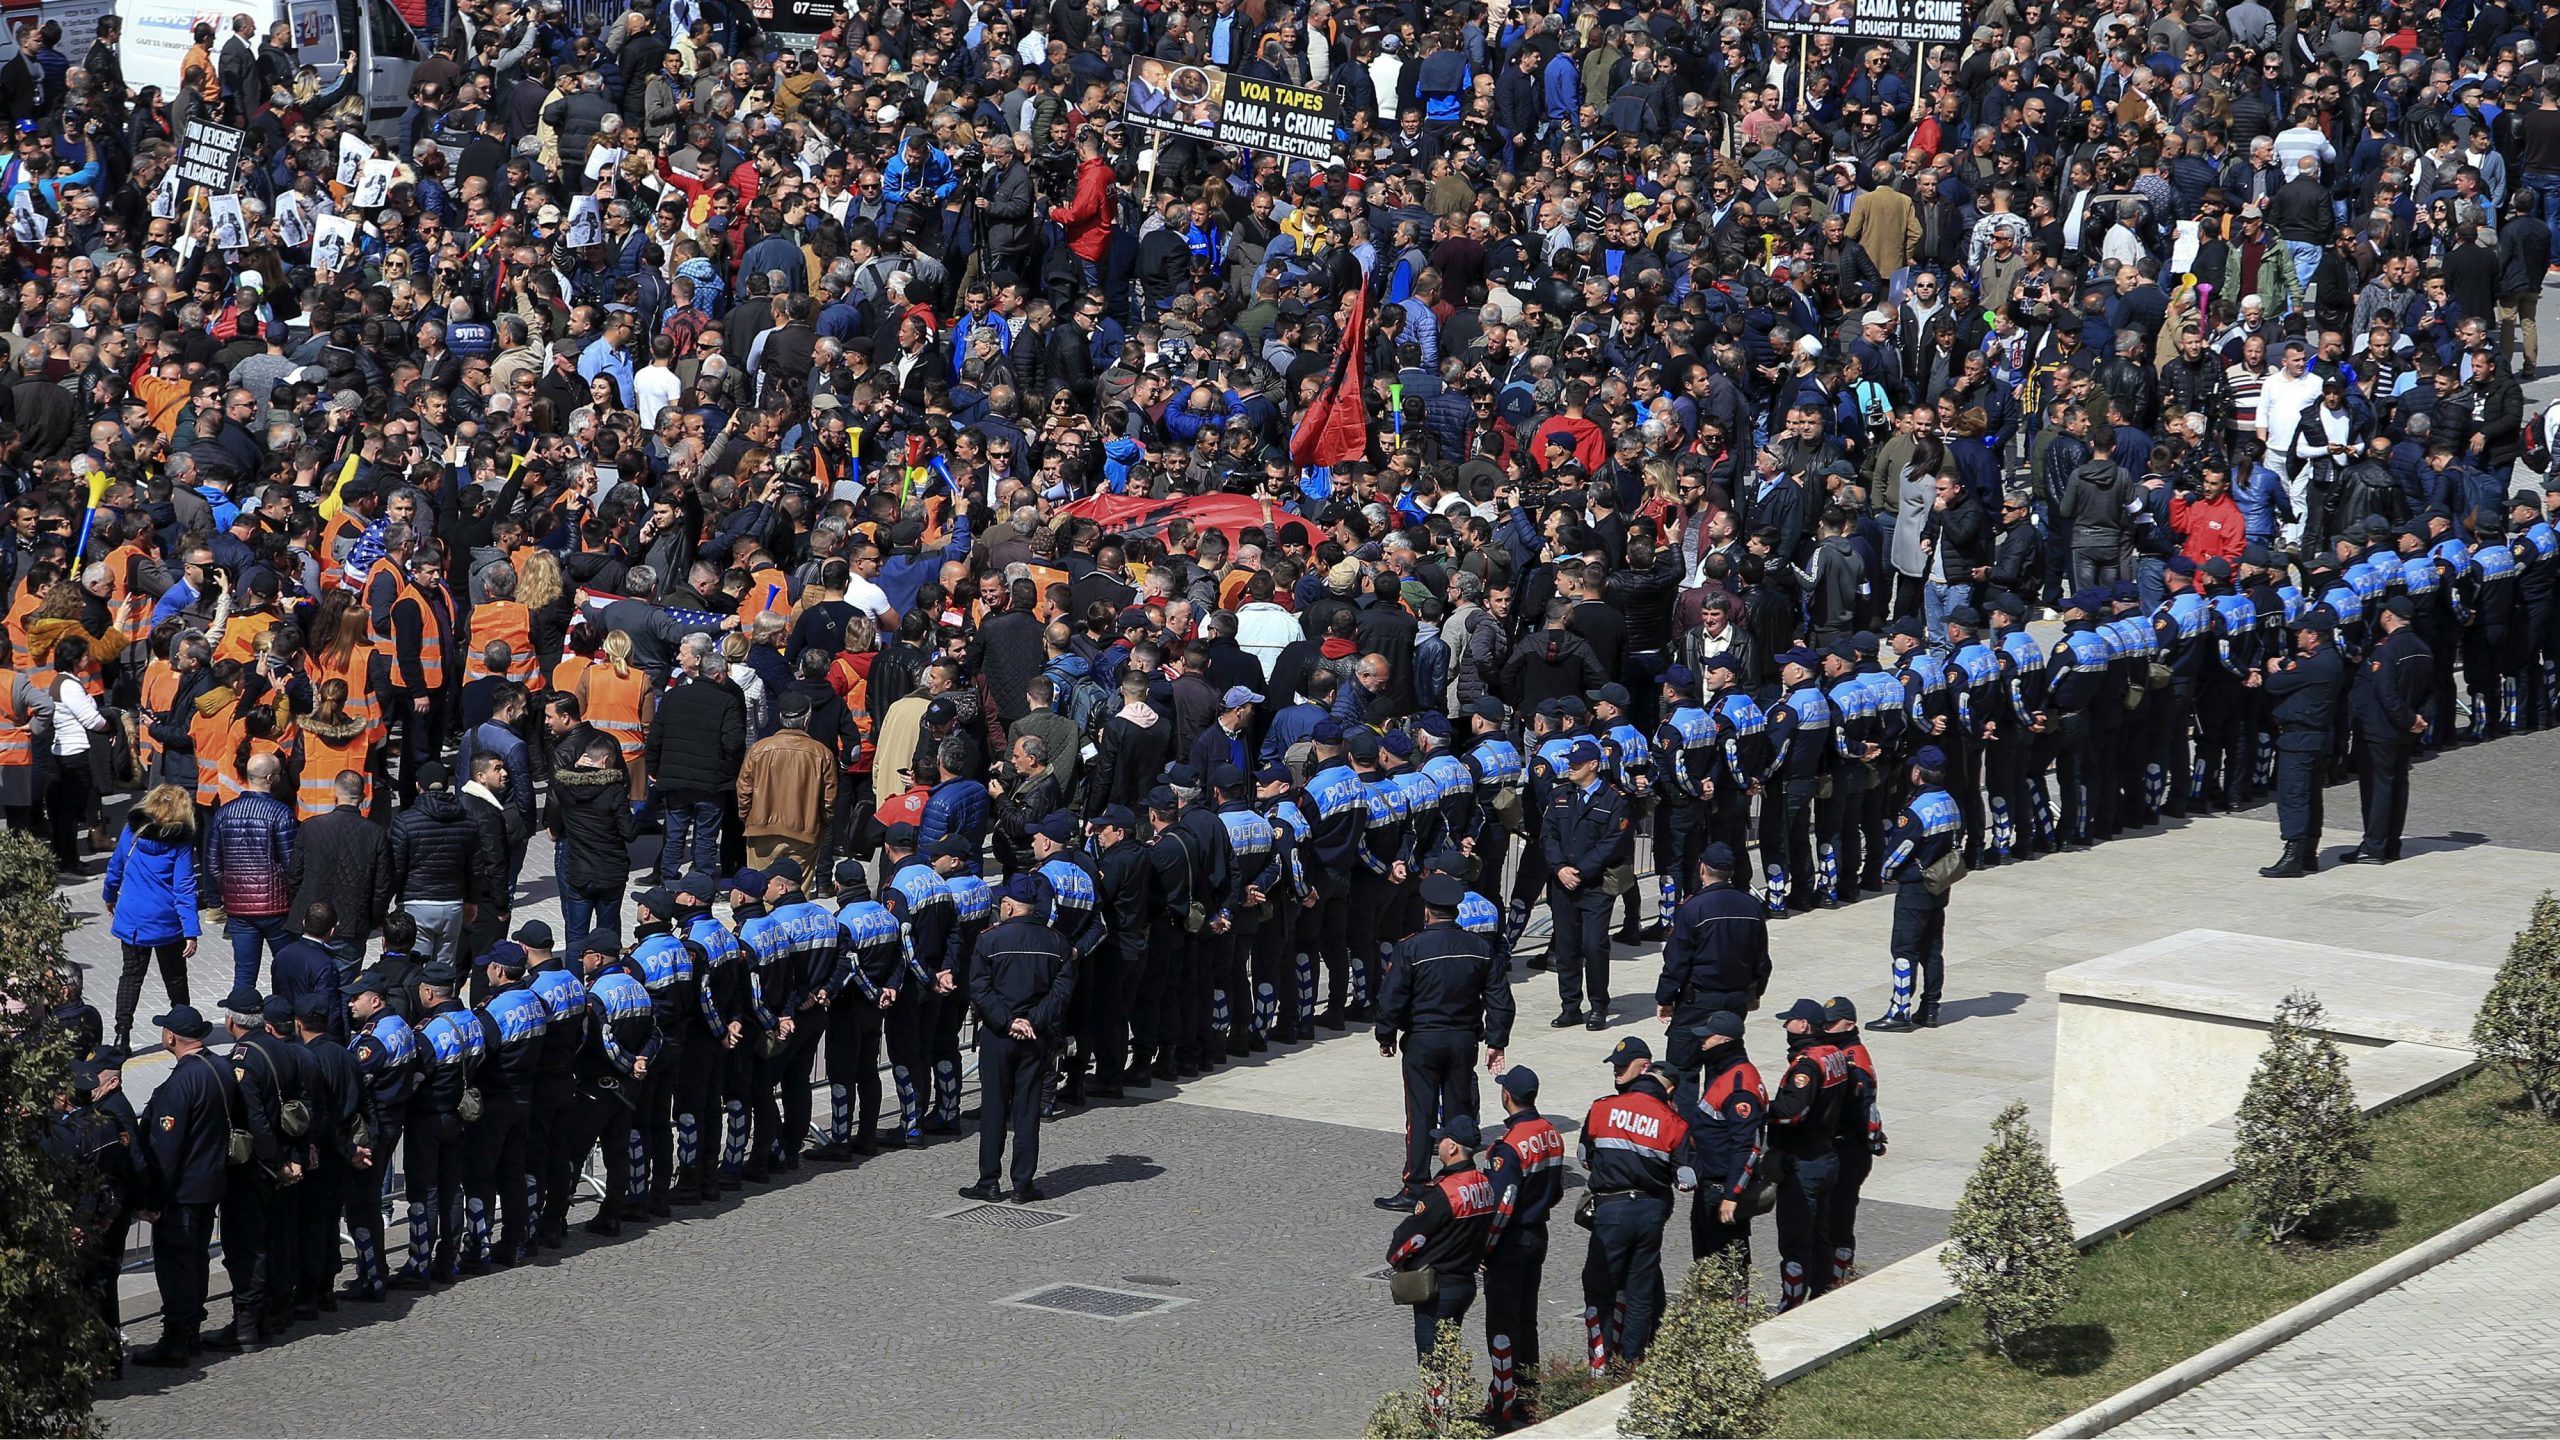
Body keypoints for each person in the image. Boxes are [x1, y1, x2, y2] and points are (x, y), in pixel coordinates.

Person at [1374, 873, 1515, 1209]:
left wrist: (1386, 1034)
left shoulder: (1410, 948)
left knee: (1420, 1115)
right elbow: (1500, 998)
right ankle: (1458, 1180)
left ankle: (1415, 1186)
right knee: (1458, 1113)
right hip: (1464, 1040)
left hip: (1423, 1040)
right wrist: (1496, 1041)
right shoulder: (1480, 948)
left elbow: (1392, 996)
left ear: (1427, 911)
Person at [959, 873, 1075, 1203]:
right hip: (1036, 1036)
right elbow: (1061, 993)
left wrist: (1009, 1021)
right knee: (1026, 1110)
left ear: (1009, 906)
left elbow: (979, 989)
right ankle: (1023, 1183)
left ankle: (989, 1181)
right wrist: (1031, 1021)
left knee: (994, 1107)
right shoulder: (1057, 943)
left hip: (998, 1035)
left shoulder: (989, 941)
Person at [1577, 1036, 1685, 1374]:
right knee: (1641, 1290)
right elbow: (1685, 1177)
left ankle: (1599, 1361)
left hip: (1611, 1209)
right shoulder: (1674, 1122)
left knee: (1598, 1286)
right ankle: (1632, 1362)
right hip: (1651, 1211)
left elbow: (1584, 1157)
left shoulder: (1602, 1107)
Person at [131, 1005, 231, 1367]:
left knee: (176, 1264)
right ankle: (190, 1328)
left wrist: (152, 1197)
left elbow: (165, 1150)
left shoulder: (180, 1083)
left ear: (171, 1037)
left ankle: (177, 1335)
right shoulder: (220, 1066)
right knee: (196, 1258)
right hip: (211, 1181)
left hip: (184, 1190)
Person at [1478, 1067, 1564, 1426]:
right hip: (1537, 1234)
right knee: (1526, 1320)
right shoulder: (1552, 1134)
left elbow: (1503, 1204)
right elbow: (1556, 1189)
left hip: (1510, 1242)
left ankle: (1503, 1402)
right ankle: (1530, 1396)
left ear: (1507, 1096)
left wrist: (1486, 1247)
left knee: (1501, 1324)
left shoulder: (1509, 1147)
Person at [1651, 843, 1768, 1095]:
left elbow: (1677, 959)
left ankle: (1689, 1129)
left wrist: (1665, 997)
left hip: (1698, 1001)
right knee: (1724, 1070)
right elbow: (1762, 959)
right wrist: (1756, 992)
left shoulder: (1693, 908)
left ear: (1702, 868)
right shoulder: (1751, 907)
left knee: (1683, 1072)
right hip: (1735, 1000)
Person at [1384, 1113, 1499, 1361]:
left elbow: (1409, 1239)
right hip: (1465, 1282)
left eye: (1443, 1139)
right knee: (1449, 1354)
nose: (1439, 1144)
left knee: (1432, 1363)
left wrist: (1396, 1260)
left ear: (1453, 1147)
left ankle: (1437, 1402)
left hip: (1438, 1287)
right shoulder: (1484, 1184)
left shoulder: (1444, 1193)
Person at [1767, 998, 1850, 1311]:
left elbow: (1793, 1111)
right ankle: (1822, 1297)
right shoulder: (1834, 1056)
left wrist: (1760, 1110)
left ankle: (1791, 1305)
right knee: (1821, 1235)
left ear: (1803, 1025)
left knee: (1795, 1239)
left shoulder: (1806, 1065)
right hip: (1828, 1156)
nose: (1785, 1026)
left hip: (1805, 1163)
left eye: (1790, 1020)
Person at [1541, 738, 1629, 1030]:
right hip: (1562, 884)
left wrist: (1578, 870)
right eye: (1570, 762)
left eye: (1577, 764)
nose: (1571, 767)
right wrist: (1560, 869)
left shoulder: (1614, 800)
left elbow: (1613, 844)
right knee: (1566, 948)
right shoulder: (1559, 796)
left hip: (1595, 886)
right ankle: (1570, 1006)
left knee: (1594, 946)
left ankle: (1598, 1005)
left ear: (1594, 765)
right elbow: (1548, 836)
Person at [1872, 747, 1963, 1030]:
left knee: (1904, 949)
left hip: (1915, 886)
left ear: (1917, 773)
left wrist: (1885, 873)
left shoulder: (1917, 810)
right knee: (1932, 949)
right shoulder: (1950, 802)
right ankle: (1931, 1008)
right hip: (1939, 882)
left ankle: (1900, 1010)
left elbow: (1902, 848)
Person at [104, 782, 199, 1051]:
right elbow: (184, 887)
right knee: (176, 977)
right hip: (167, 922)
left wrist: (109, 896)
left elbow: (116, 867)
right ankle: (184, 1028)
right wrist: (191, 929)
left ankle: (122, 1035)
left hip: (133, 918)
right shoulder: (180, 842)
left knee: (131, 977)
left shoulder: (130, 831)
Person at [2343, 596, 2435, 863]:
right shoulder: (2422, 647)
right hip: (2405, 730)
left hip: (2380, 729)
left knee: (2377, 788)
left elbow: (2386, 693)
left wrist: (2408, 719)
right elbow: (2432, 691)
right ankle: (2390, 844)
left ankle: (2374, 846)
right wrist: (2420, 719)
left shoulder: (2387, 649)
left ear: (2388, 616)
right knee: (2397, 786)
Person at [2259, 605, 2346, 877]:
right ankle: (2308, 853)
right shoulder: (2328, 658)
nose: (2297, 635)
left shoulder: (2315, 663)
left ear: (2314, 636)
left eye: (2302, 631)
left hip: (2300, 737)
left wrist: (2278, 665)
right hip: (2315, 737)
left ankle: (2294, 855)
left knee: (2294, 795)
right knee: (2310, 796)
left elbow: (2274, 685)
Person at [208, 752, 298, 992]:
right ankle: (282, 1021)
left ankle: (240, 1020)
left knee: (244, 974)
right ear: (270, 777)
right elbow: (291, 864)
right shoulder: (280, 813)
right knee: (286, 971)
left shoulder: (224, 813)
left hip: (238, 910)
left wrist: (229, 889)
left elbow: (214, 863)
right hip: (276, 907)